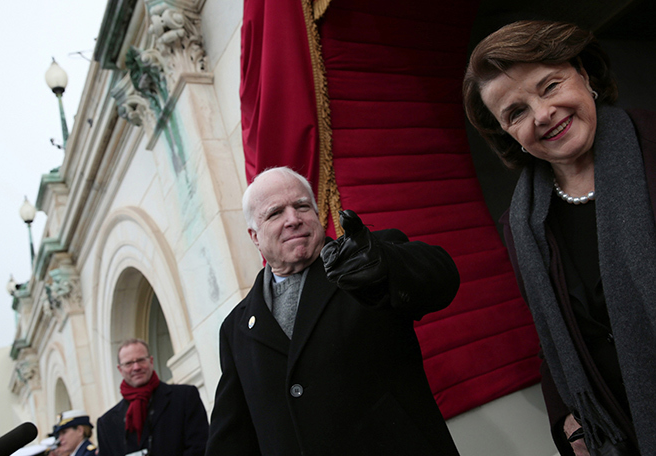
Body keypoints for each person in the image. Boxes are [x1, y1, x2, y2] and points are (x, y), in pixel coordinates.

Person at [463, 20, 656, 456]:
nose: (543, 114)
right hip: (620, 433)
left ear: (584, 74)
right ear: (507, 133)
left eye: (549, 86)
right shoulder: (521, 224)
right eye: (516, 112)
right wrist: (567, 421)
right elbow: (557, 338)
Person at [206, 167, 461, 455]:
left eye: (302, 206)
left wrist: (387, 263)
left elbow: (442, 278)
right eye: (275, 213)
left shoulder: (367, 261)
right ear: (254, 236)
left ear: (317, 214)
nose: (293, 219)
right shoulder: (235, 328)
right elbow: (232, 432)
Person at [97, 338, 209, 456]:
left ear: (151, 361)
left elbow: (200, 447)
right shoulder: (106, 423)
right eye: (129, 363)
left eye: (141, 360)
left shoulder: (184, 397)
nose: (136, 367)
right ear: (120, 369)